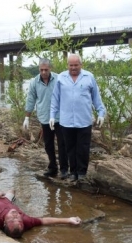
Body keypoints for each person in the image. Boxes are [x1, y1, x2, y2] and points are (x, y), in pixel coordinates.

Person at [50, 53, 106, 182]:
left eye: (76, 65)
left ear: (81, 65)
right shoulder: (61, 78)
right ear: (67, 65)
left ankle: (82, 172)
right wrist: (52, 115)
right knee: (69, 148)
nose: (73, 68)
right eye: (71, 65)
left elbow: (96, 97)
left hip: (84, 120)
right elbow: (55, 99)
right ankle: (73, 171)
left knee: (83, 147)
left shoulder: (89, 77)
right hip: (66, 120)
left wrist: (101, 112)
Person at [0, 185, 82, 238]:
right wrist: (68, 220)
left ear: (5, 223)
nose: (16, 216)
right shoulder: (25, 220)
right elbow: (44, 221)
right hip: (6, 201)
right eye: (18, 220)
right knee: (11, 191)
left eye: (12, 220)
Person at [23, 58, 68, 179]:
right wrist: (27, 117)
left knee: (62, 143)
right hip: (44, 117)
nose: (43, 72)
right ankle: (52, 167)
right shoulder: (34, 82)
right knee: (48, 144)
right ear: (39, 69)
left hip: (59, 117)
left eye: (46, 70)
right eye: (41, 70)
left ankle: (64, 169)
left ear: (50, 68)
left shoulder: (59, 79)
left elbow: (68, 95)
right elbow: (31, 99)